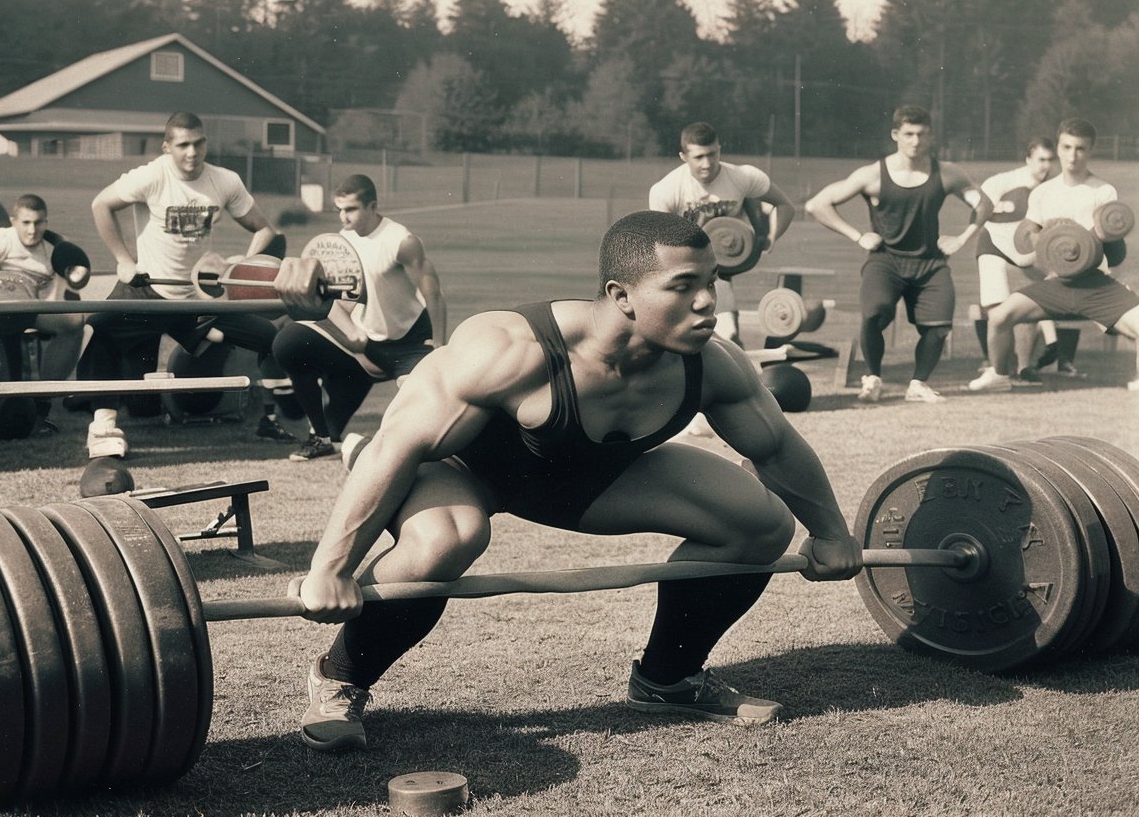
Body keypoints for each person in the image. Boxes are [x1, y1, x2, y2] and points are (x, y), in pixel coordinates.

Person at [279, 211, 863, 752]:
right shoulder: (512, 348)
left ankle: (667, 680)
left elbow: (778, 449)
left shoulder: (712, 362)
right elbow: (394, 449)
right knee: (446, 540)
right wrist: (329, 571)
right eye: (683, 287)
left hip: (582, 478)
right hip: (464, 473)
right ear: (621, 296)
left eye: (712, 282)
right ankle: (341, 677)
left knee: (759, 523)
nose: (707, 303)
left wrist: (833, 534)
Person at [79, 111, 296, 459]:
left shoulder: (225, 180)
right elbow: (101, 204)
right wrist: (123, 260)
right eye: (182, 145)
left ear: (206, 143)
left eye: (198, 143)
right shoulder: (152, 175)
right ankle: (103, 427)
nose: (192, 152)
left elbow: (265, 230)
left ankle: (272, 418)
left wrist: (239, 266)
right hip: (148, 289)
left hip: (197, 295)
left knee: (272, 339)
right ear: (167, 147)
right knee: (101, 329)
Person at [805, 105, 990, 404]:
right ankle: (873, 378)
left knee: (939, 327)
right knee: (874, 312)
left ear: (930, 136)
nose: (915, 141)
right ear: (896, 135)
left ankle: (918, 384)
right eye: (908, 134)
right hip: (885, 260)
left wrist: (964, 238)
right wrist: (857, 235)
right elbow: (817, 205)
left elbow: (983, 202)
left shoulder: (946, 173)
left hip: (930, 263)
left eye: (921, 134)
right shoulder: (873, 175)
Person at [272, 174, 446, 462]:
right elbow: (336, 301)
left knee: (421, 425)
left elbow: (434, 293)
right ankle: (322, 437)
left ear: (372, 206)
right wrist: (352, 333)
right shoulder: (341, 242)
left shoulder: (401, 241)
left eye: (350, 209)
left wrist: (440, 347)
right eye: (339, 209)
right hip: (365, 344)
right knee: (288, 342)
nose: (343, 217)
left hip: (409, 343)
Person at [969, 118, 1139, 393]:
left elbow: (1109, 234)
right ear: (1058, 148)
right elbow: (1029, 232)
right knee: (1000, 317)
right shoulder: (1043, 192)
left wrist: (1081, 239)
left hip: (1096, 283)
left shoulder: (1103, 190)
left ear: (1090, 151)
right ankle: (999, 375)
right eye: (1067, 147)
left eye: (1080, 149)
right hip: (1055, 285)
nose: (1072, 156)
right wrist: (1040, 239)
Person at [648, 121, 796, 343]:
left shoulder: (742, 177)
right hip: (683, 263)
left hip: (721, 263)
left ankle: (730, 346)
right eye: (698, 157)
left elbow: (785, 206)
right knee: (681, 335)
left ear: (719, 150)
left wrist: (771, 237)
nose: (707, 164)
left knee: (727, 335)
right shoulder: (667, 189)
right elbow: (659, 244)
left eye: (712, 154)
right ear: (683, 156)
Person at [0, 193, 87, 424]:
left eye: (39, 222)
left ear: (46, 222)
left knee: (74, 322)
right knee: (7, 314)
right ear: (13, 221)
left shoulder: (56, 249)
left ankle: (43, 397)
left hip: (34, 308)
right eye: (26, 223)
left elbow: (73, 286)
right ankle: (6, 384)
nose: (32, 230)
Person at [972, 137, 1079, 382]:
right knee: (997, 310)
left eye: (1050, 160)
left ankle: (1024, 367)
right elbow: (978, 211)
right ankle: (999, 368)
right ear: (1028, 158)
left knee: (1029, 306)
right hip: (994, 246)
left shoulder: (1054, 189)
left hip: (1026, 254)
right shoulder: (1002, 182)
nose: (1046, 165)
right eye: (1041, 159)